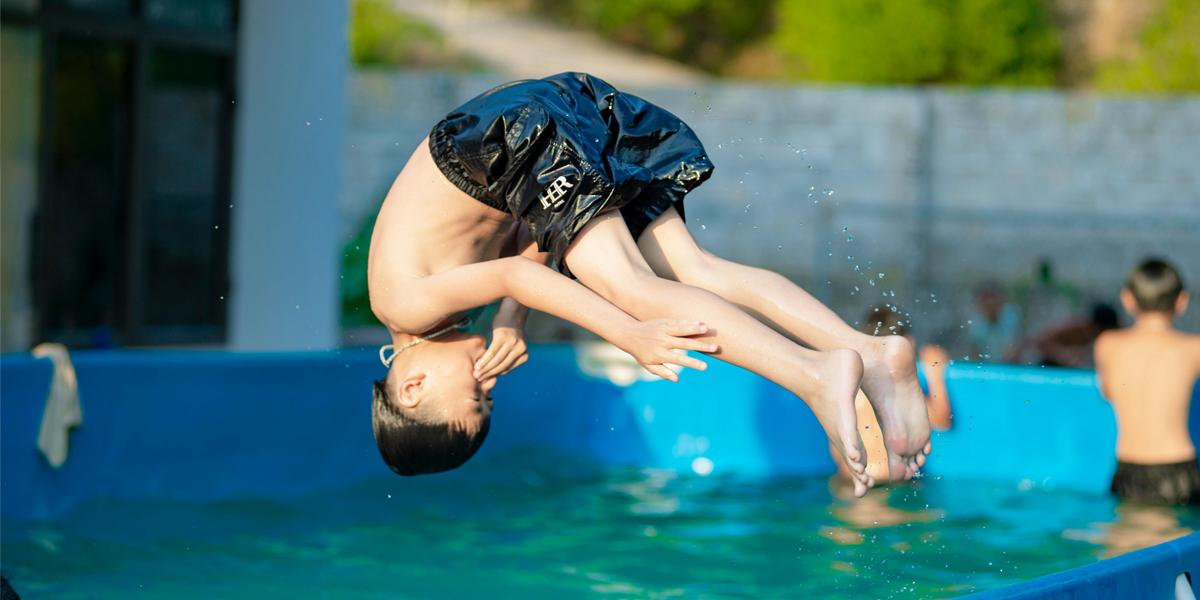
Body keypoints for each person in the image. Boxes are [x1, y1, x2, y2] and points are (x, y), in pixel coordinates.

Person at [368, 73, 931, 495]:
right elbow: (534, 230)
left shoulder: (402, 307)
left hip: (509, 132)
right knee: (696, 271)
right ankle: (870, 354)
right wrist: (511, 316)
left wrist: (623, 332)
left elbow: (515, 271)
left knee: (631, 290)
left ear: (412, 387)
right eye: (490, 398)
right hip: (550, 116)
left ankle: (815, 375)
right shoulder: (439, 317)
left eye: (475, 395)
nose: (487, 381)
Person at [1094, 258, 1200, 504]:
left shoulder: (1106, 344)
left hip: (1127, 472)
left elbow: (1107, 392)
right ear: (1182, 300)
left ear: (1128, 299)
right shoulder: (1194, 348)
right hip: (1177, 473)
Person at [832, 305, 951, 482]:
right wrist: (935, 372)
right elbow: (941, 420)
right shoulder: (894, 386)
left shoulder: (847, 379)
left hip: (849, 484)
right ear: (905, 344)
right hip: (892, 487)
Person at [1030, 302, 1119, 368]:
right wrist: (1063, 353)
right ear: (1095, 326)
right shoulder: (1075, 327)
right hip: (1049, 367)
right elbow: (1039, 341)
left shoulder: (1113, 330)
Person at [967, 282, 1022, 362]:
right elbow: (975, 354)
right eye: (986, 298)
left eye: (993, 297)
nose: (991, 302)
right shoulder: (976, 327)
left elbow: (1022, 344)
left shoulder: (1013, 317)